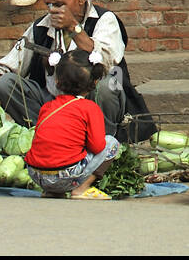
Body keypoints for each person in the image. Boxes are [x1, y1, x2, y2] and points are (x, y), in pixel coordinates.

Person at [0, 0, 152, 141]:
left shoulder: (104, 19)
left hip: (94, 97)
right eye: (48, 4)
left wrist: (74, 28)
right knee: (6, 83)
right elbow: (8, 64)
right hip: (55, 102)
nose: (52, 10)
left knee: (108, 84)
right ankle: (50, 138)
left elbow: (105, 60)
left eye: (58, 4)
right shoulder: (41, 27)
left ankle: (102, 144)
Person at [23, 49, 121, 200]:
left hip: (36, 175)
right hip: (65, 176)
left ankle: (52, 191)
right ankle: (81, 189)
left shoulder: (47, 107)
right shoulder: (90, 108)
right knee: (111, 143)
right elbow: (97, 147)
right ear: (95, 81)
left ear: (56, 80)